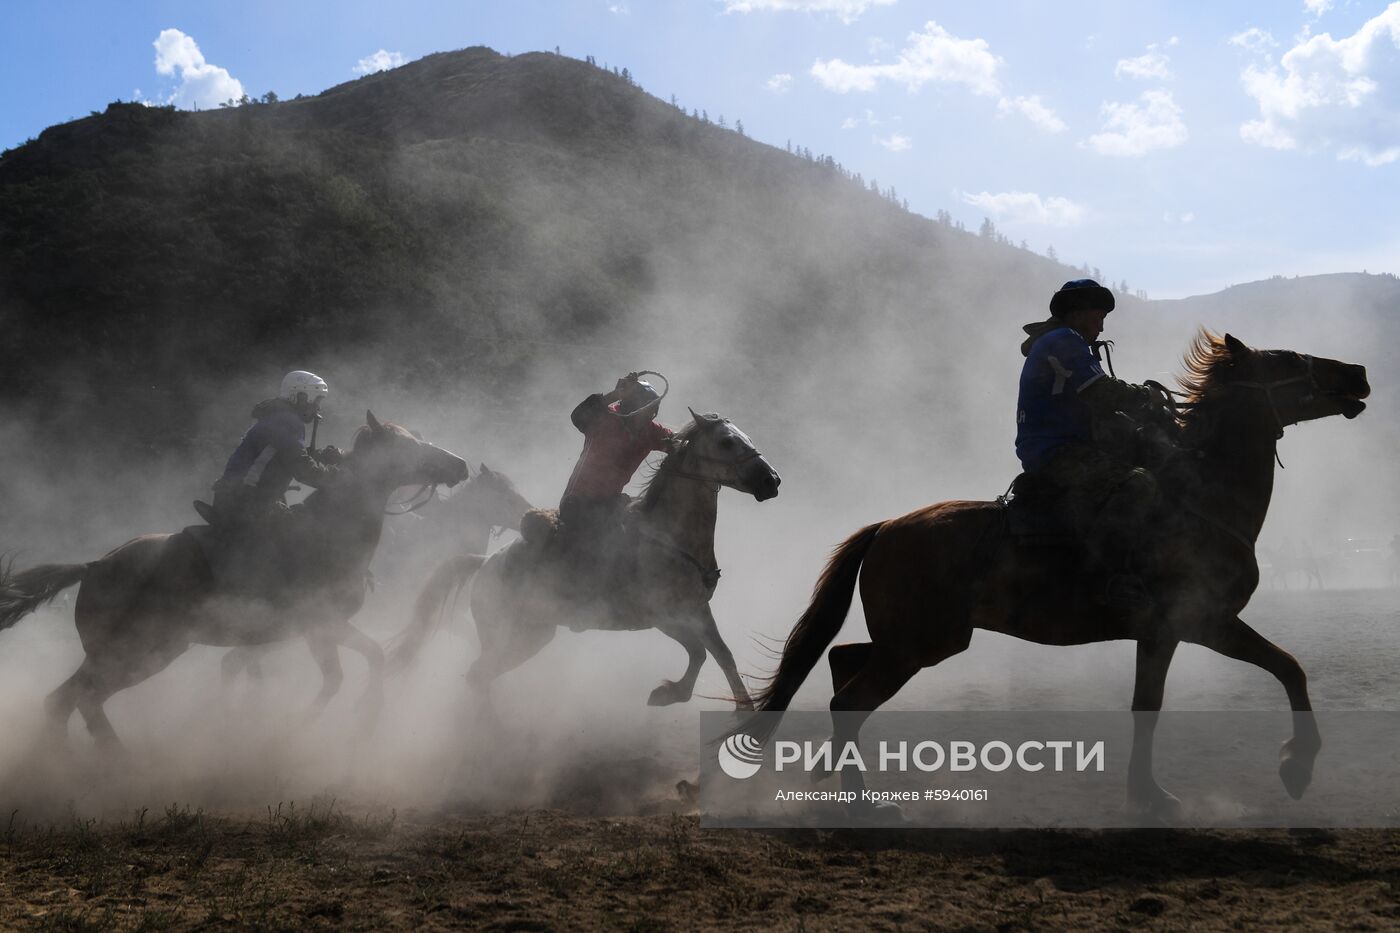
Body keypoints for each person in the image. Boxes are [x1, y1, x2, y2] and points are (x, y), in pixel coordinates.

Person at [1015, 280, 1159, 608]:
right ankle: (1114, 577)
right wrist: (1145, 396)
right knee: (1136, 484)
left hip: (1058, 445)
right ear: (1078, 314)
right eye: (1099, 317)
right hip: (1056, 450)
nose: (1102, 326)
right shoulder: (1065, 340)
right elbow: (1100, 391)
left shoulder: (1058, 341)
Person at [558, 373, 675, 562]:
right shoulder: (604, 418)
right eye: (644, 408)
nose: (646, 415)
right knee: (603, 548)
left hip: (611, 504)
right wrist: (615, 394)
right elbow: (578, 416)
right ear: (632, 407)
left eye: (650, 409)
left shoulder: (650, 431)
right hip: (578, 502)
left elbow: (677, 442)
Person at [211, 370, 344, 526]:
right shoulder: (288, 421)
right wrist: (338, 478)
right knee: (302, 535)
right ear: (300, 397)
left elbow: (285, 455)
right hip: (246, 501)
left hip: (234, 498)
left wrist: (320, 456)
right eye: (316, 400)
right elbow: (302, 468)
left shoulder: (277, 416)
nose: (317, 408)